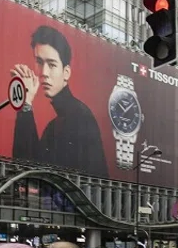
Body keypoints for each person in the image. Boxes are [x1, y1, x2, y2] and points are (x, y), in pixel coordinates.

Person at [11, 25, 107, 177]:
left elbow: (33, 171)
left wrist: (26, 106)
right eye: (39, 62)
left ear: (66, 72)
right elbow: (27, 169)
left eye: (52, 64)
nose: (44, 73)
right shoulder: (55, 126)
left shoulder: (79, 116)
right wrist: (26, 102)